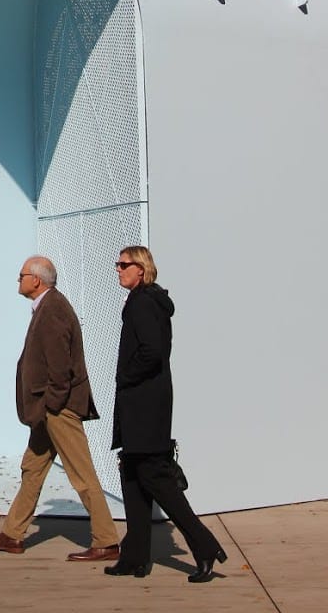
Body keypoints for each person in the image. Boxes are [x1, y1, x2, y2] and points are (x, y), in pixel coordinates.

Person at [0, 256, 119, 561]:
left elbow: (60, 366)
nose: (19, 279)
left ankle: (107, 541)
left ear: (37, 280)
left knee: (82, 475)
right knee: (32, 469)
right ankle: (12, 535)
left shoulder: (53, 309)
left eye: (22, 275)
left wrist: (52, 404)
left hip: (58, 409)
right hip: (47, 410)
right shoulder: (46, 306)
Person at [105, 247, 227, 584]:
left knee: (156, 479)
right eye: (117, 264)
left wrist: (125, 376)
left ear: (140, 269)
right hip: (147, 403)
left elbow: (152, 351)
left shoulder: (143, 303)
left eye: (123, 264)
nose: (117, 269)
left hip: (144, 405)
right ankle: (134, 558)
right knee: (132, 478)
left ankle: (204, 545)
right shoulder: (147, 300)